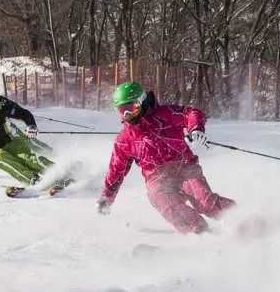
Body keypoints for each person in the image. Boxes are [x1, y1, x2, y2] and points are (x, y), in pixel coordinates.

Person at [96, 81, 235, 234]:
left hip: (184, 167)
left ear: (142, 102)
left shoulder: (165, 115)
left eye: (132, 108)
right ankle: (198, 231)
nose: (128, 115)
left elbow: (191, 113)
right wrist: (107, 197)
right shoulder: (125, 139)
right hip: (156, 178)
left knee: (205, 202)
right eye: (123, 111)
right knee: (164, 201)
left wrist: (194, 128)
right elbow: (116, 170)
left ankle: (239, 217)